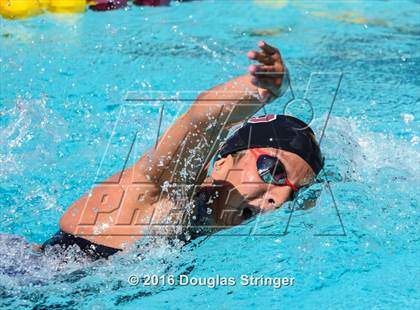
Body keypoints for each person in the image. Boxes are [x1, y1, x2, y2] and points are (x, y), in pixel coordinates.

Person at [41, 41, 323, 260]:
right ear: (223, 162)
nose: (279, 199)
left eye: (293, 194)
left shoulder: (201, 229)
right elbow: (202, 122)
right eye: (273, 170)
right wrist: (265, 90)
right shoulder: (163, 195)